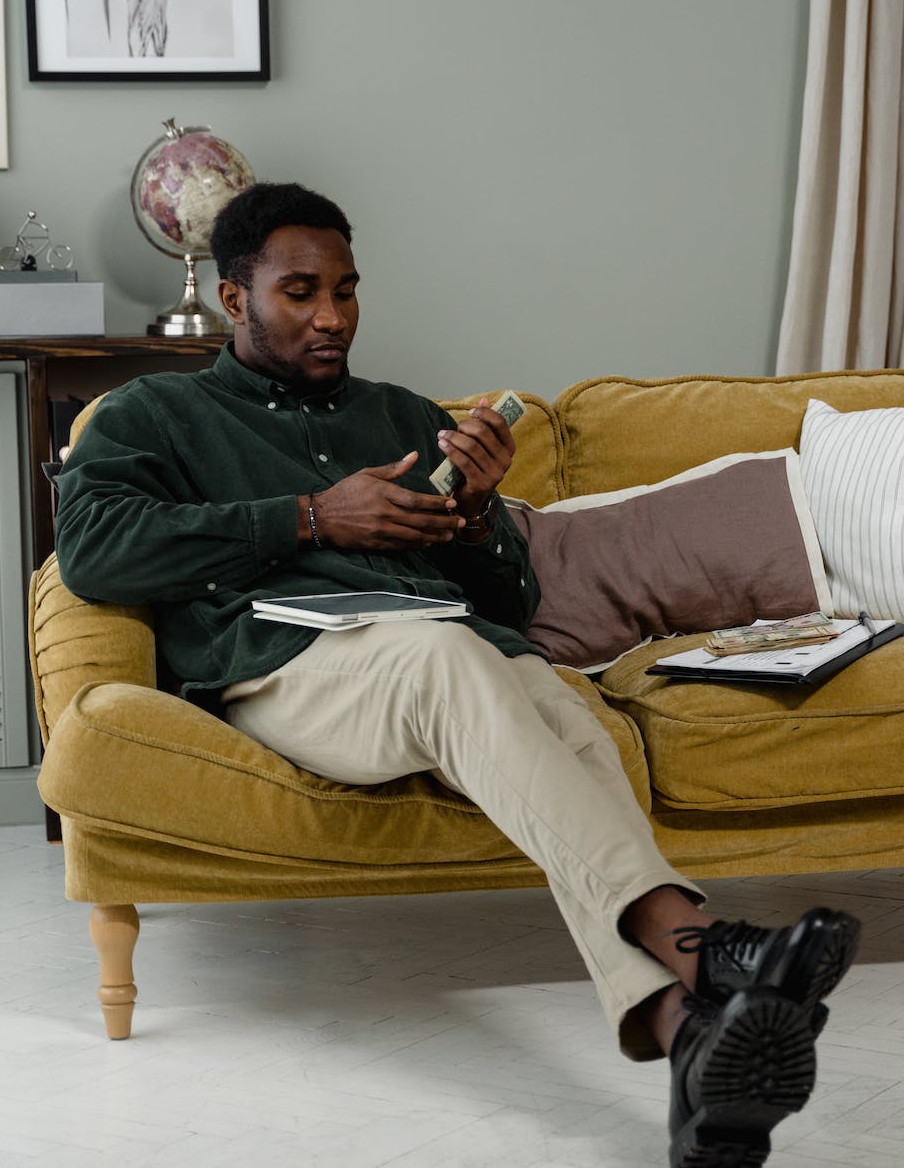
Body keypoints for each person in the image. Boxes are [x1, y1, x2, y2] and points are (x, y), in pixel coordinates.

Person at [54, 182, 859, 1166]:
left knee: (561, 710)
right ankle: (698, 942)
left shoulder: (397, 413)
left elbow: (509, 601)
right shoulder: (155, 412)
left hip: (454, 656)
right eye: (301, 292)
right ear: (233, 300)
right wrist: (312, 516)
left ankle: (688, 1040)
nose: (332, 316)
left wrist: (480, 512)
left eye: (346, 291)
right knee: (447, 654)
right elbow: (92, 547)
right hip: (289, 665)